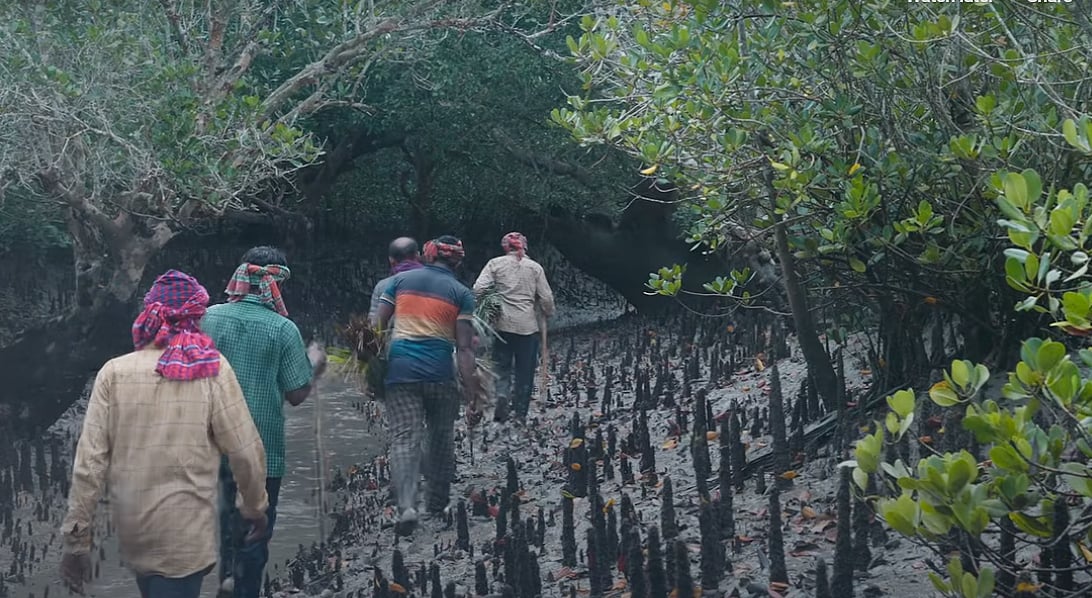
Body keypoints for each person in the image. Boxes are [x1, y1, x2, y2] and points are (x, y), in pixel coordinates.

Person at [60, 270, 269, 598]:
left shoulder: (113, 372)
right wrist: (254, 507)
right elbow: (245, 449)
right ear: (195, 318)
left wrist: (77, 540)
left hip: (136, 531)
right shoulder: (211, 369)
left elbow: (89, 464)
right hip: (187, 534)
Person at [201, 246, 327, 598]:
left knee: (226, 518)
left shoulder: (209, 317)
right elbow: (296, 395)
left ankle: (227, 576)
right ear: (277, 284)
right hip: (262, 447)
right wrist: (315, 366)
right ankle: (243, 588)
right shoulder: (284, 329)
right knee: (256, 529)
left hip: (211, 442)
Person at [374, 235, 482, 535]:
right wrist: (473, 395)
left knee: (404, 438)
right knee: (441, 437)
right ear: (457, 260)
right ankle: (437, 502)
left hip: (401, 373)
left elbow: (377, 329)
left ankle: (407, 506)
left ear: (428, 254)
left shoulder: (399, 282)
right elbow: (465, 349)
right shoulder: (462, 293)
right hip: (441, 374)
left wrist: (369, 368)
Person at [473, 232, 555, 422]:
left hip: (501, 325)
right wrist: (548, 311)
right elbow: (547, 298)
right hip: (527, 327)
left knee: (502, 367)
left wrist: (491, 301)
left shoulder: (495, 264)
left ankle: (502, 395)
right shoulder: (535, 268)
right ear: (524, 247)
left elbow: (478, 288)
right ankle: (520, 413)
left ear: (505, 247)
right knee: (524, 371)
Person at [368, 236, 423, 326]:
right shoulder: (434, 282)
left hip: (393, 338)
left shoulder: (383, 286)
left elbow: (374, 324)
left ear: (391, 260)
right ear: (418, 255)